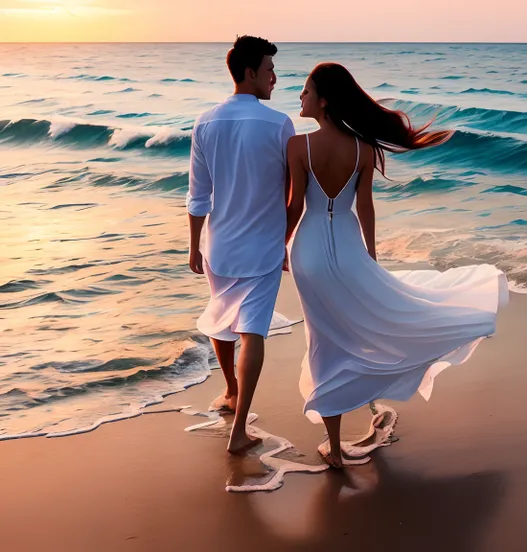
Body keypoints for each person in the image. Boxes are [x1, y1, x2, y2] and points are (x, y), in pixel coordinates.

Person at [285, 63, 508, 468]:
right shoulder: (364, 149)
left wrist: (281, 248)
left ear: (323, 100)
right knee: (355, 331)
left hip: (310, 251)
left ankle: (333, 448)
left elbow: (295, 207)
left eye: (305, 91)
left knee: (323, 340)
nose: (300, 98)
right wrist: (369, 258)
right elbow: (365, 207)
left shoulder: (298, 147)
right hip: (349, 248)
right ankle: (365, 403)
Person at [187, 35, 294, 453]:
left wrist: (194, 246)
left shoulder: (205, 121)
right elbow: (290, 189)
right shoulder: (279, 123)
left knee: (222, 319)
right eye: (269, 70)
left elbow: (199, 195)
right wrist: (287, 238)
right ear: (250, 73)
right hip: (263, 246)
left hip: (220, 246)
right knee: (252, 331)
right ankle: (239, 429)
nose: (274, 78)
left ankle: (231, 392)